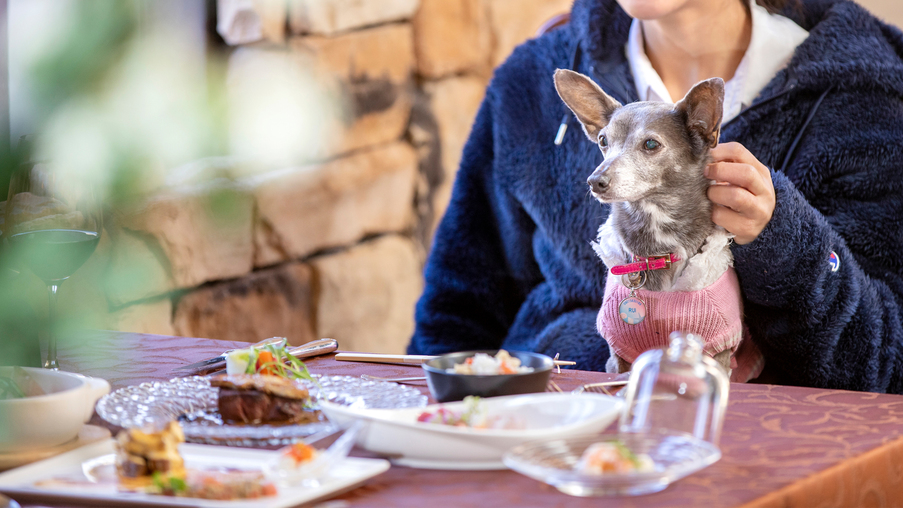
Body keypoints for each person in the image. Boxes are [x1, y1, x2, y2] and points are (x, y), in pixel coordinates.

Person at [407, 0, 903, 393]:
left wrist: (785, 242)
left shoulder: (864, 95)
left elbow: (882, 364)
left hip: (752, 457)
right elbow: (456, 310)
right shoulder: (533, 83)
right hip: (541, 437)